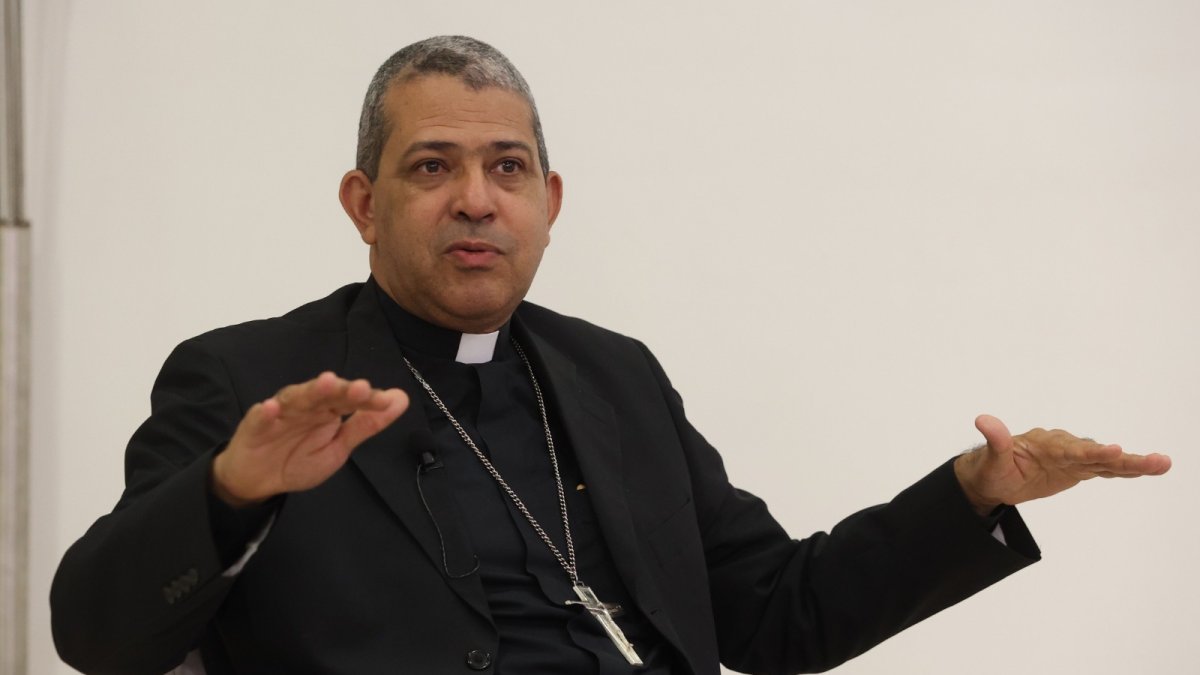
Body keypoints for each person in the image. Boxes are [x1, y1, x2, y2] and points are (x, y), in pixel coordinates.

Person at [49, 36, 1171, 675]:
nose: (476, 200)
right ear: (363, 203)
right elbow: (94, 635)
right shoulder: (249, 381)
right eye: (432, 167)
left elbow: (776, 615)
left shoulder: (614, 377)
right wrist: (229, 494)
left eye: (507, 168)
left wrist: (971, 492)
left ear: (550, 200)